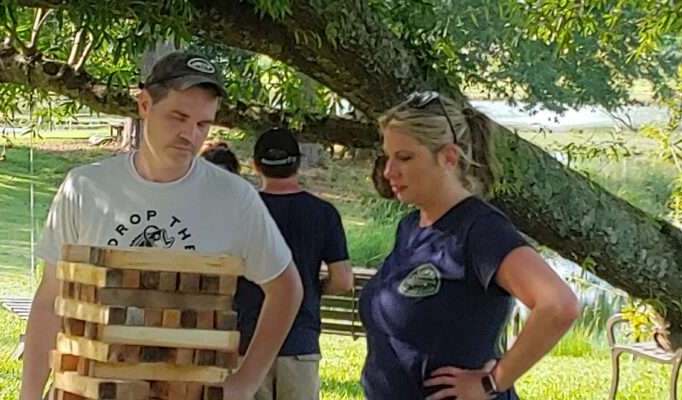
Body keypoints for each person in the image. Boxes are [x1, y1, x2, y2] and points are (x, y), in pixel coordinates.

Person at [19, 52, 305, 400]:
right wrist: (30, 394)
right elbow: (51, 299)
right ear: (144, 105)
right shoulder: (85, 188)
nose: (190, 134)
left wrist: (245, 383)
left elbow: (286, 288)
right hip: (89, 388)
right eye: (178, 117)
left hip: (186, 389)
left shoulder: (234, 198)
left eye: (203, 124)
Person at [360, 91, 579, 400]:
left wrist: (492, 382)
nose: (388, 171)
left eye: (405, 157)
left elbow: (559, 305)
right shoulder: (410, 227)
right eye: (388, 157)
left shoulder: (481, 230)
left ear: (449, 157)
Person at [235, 127, 354, 400]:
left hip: (248, 342)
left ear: (255, 165)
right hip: (300, 341)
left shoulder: (242, 212)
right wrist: (312, 288)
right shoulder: (324, 213)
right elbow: (343, 280)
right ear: (298, 164)